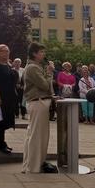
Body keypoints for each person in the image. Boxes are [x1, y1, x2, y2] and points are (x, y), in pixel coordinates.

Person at [22, 43, 57, 173]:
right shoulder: (32, 68)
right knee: (37, 136)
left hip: (39, 102)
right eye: (41, 52)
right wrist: (49, 73)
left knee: (35, 135)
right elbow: (44, 85)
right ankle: (33, 167)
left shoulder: (35, 67)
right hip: (38, 103)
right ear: (34, 53)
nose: (44, 54)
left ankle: (31, 165)